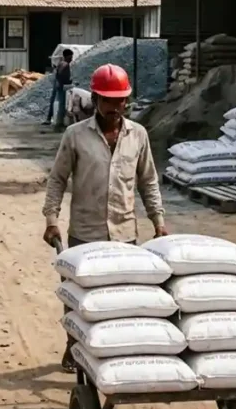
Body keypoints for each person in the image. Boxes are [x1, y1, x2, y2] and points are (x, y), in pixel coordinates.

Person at [42, 63, 167, 370]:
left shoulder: (138, 135)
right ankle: (73, 345)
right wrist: (51, 220)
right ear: (95, 98)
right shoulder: (75, 136)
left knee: (121, 300)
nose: (116, 107)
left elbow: (148, 180)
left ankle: (114, 354)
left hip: (124, 234)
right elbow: (58, 179)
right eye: (110, 100)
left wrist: (158, 222)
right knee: (78, 299)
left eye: (121, 100)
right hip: (84, 233)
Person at [44, 48, 73, 129]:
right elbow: (61, 74)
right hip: (61, 86)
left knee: (54, 101)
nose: (71, 59)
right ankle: (59, 122)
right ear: (67, 56)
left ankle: (49, 119)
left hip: (57, 84)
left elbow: (57, 73)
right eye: (71, 57)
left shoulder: (60, 63)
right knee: (62, 104)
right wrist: (68, 82)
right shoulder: (65, 64)